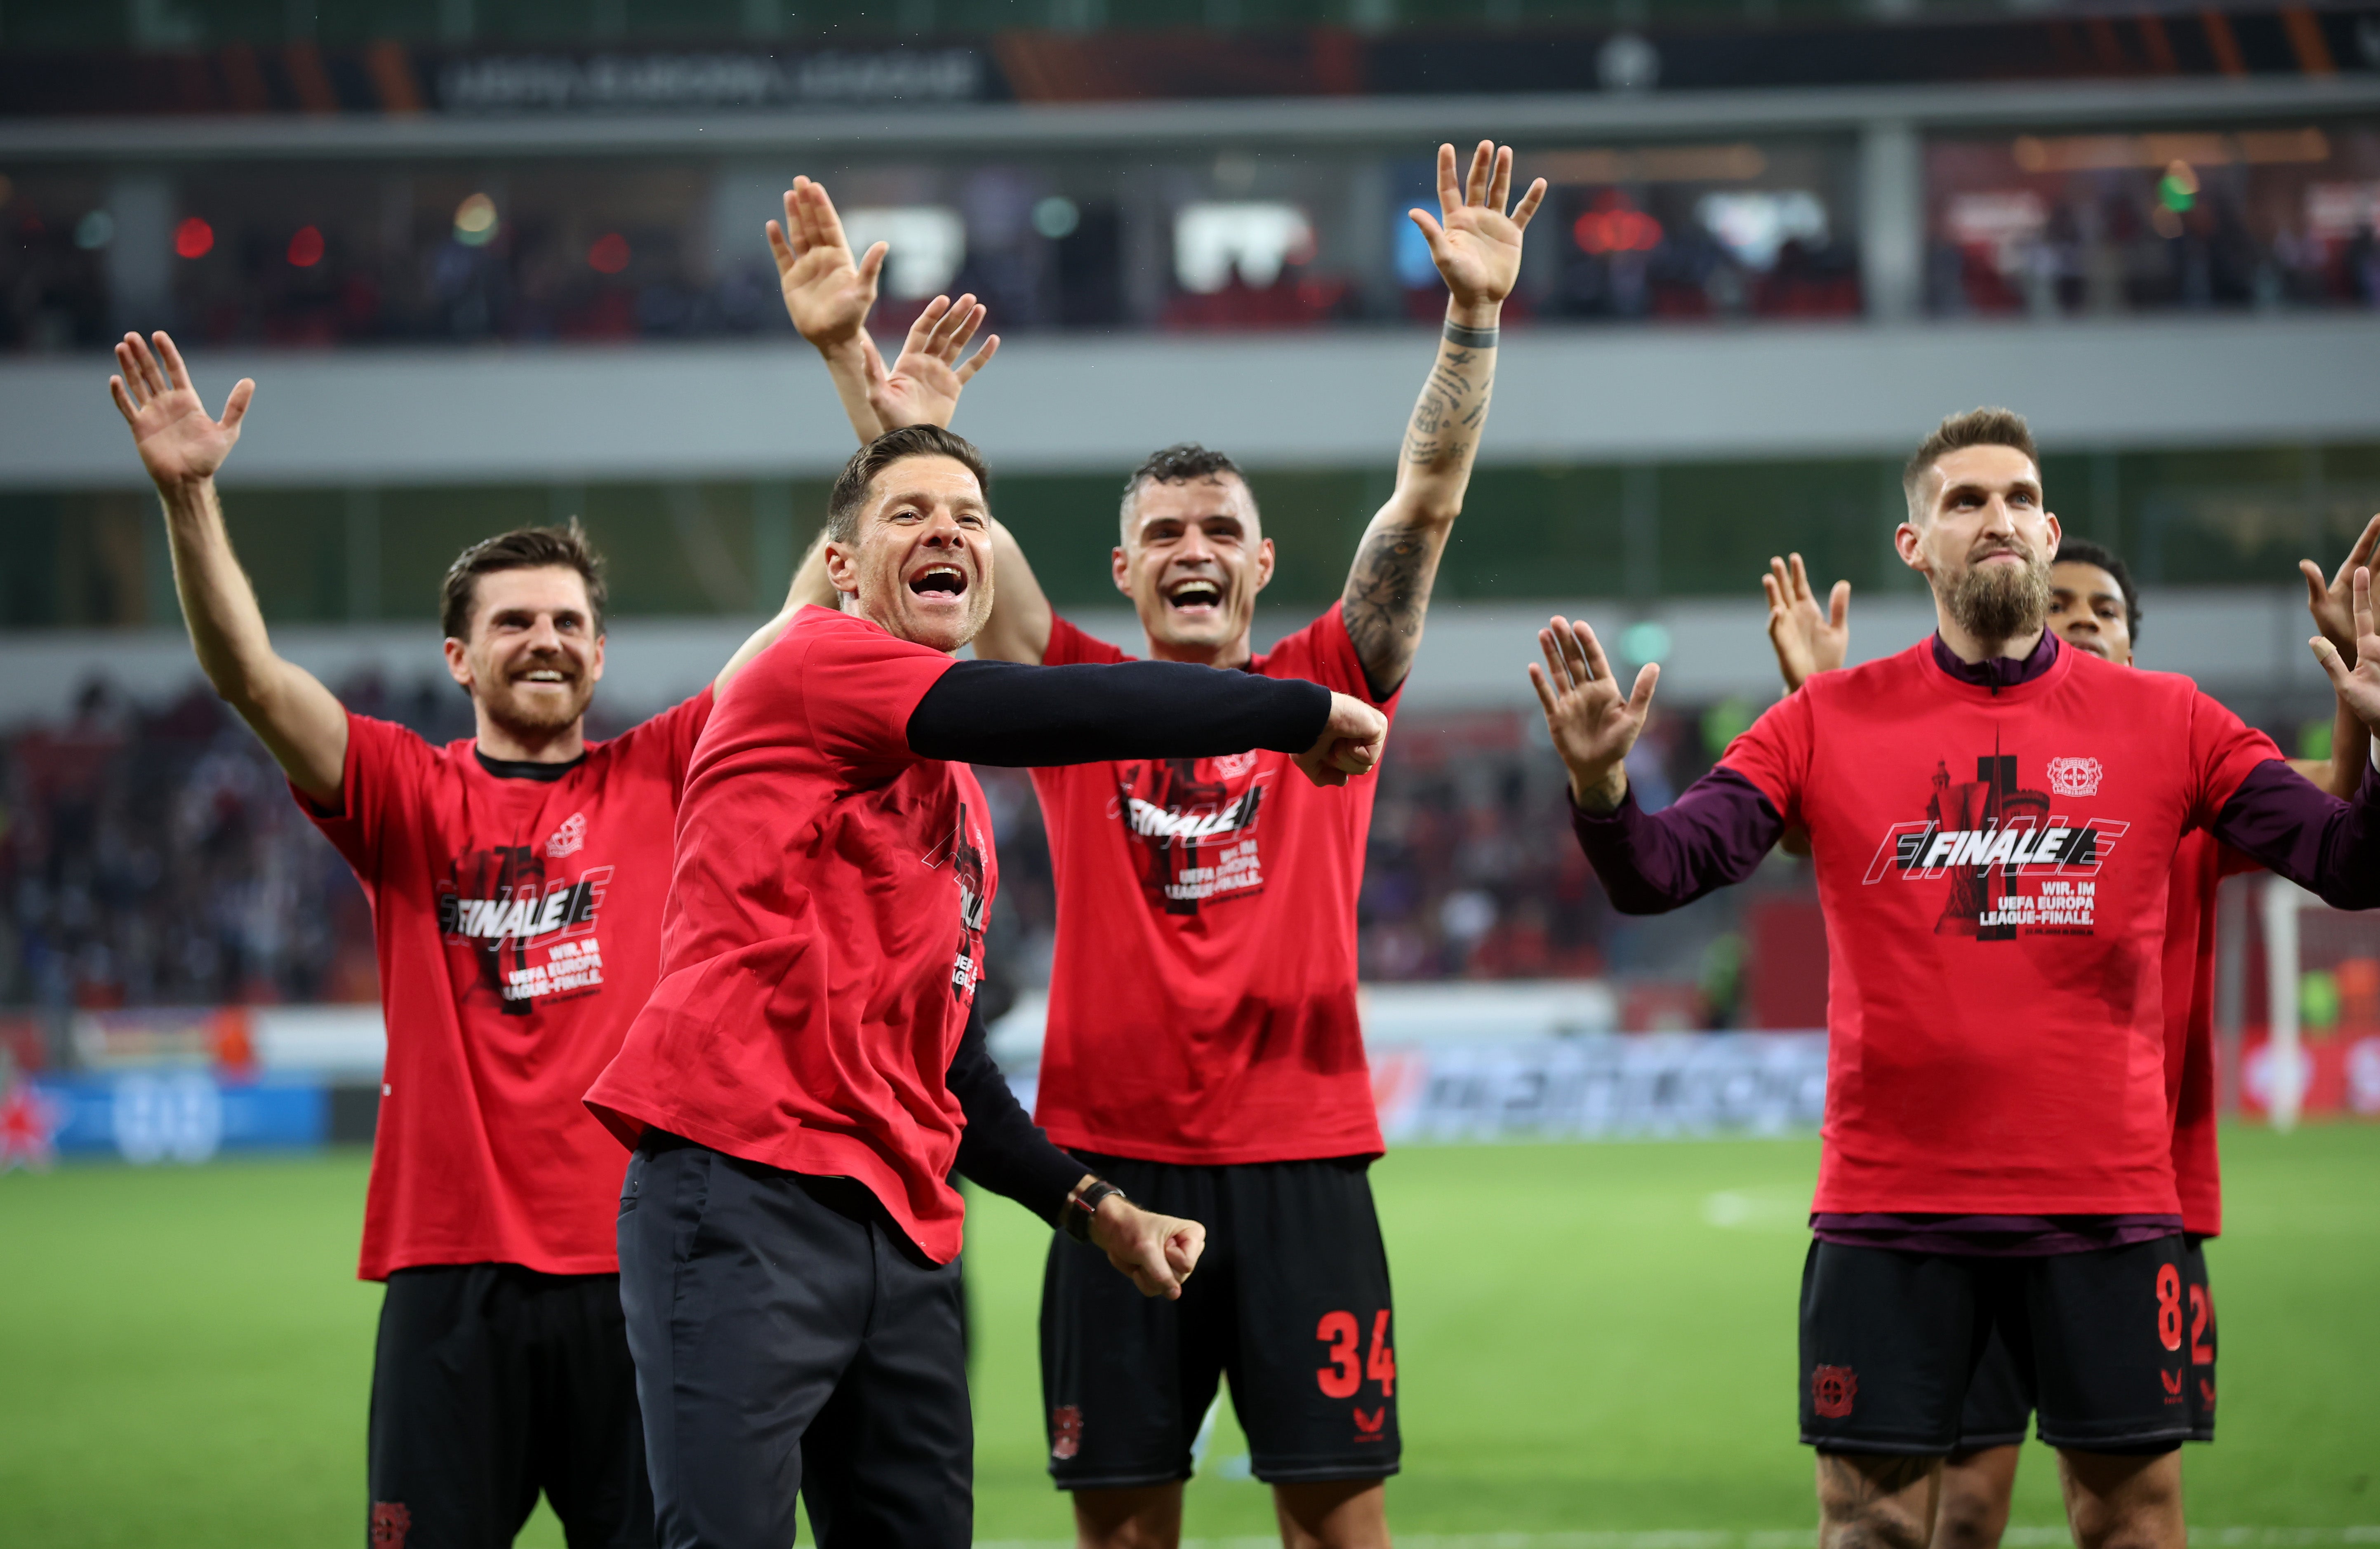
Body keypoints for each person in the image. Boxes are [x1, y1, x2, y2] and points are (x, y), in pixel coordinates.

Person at [767, 141, 1544, 1549]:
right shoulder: (1066, 692)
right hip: (1107, 1167)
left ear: (1257, 564)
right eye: (1164, 531)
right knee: (1124, 1531)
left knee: (1337, 1527)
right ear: (1123, 571)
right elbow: (932, 534)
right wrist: (855, 371)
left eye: (1221, 531)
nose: (1194, 547)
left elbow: (1422, 503)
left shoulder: (1333, 677)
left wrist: (1473, 319)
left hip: (1305, 1157)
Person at [1536, 405, 2380, 1549]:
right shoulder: (1820, 719)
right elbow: (1662, 868)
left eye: (2021, 499)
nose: (1999, 518)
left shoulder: (2171, 719)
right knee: (1872, 1525)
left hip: (2107, 1210)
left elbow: (2348, 861)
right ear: (1912, 543)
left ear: (2049, 532)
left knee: (2129, 1519)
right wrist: (1600, 789)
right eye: (1965, 500)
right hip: (1890, 1210)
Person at [581, 424, 1391, 1549]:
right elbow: (1056, 710)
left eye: (966, 513)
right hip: (745, 1189)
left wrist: (1095, 1208)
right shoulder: (809, 659)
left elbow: (949, 1063)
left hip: (903, 1229)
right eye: (906, 512)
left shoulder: (953, 799)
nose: (946, 530)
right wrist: (1294, 710)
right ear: (842, 568)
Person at [108, 329, 829, 1547]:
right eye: (513, 622)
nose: (543, 638)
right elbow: (247, 674)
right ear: (460, 656)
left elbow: (803, 616)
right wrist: (189, 496)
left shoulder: (666, 771)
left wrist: (870, 410)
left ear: (601, 652)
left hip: (640, 1268)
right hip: (450, 1274)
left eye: (565, 620)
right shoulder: (401, 788)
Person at [1758, 529, 2374, 1549]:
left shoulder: (2192, 775)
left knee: (2129, 1513)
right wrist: (1817, 705)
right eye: (2064, 609)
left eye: (2107, 613)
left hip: (2141, 1198)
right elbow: (1809, 825)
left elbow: (2340, 821)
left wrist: (2359, 689)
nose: (2082, 624)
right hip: (1970, 1196)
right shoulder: (1980, 770)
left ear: (2136, 645)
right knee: (1958, 1506)